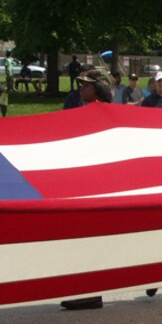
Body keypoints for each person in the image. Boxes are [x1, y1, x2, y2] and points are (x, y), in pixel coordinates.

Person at [60, 71, 115, 310]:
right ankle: (89, 290)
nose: (81, 88)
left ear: (99, 88)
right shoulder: (85, 112)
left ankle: (92, 292)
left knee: (93, 238)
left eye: (87, 85)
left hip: (99, 188)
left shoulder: (103, 115)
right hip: (87, 185)